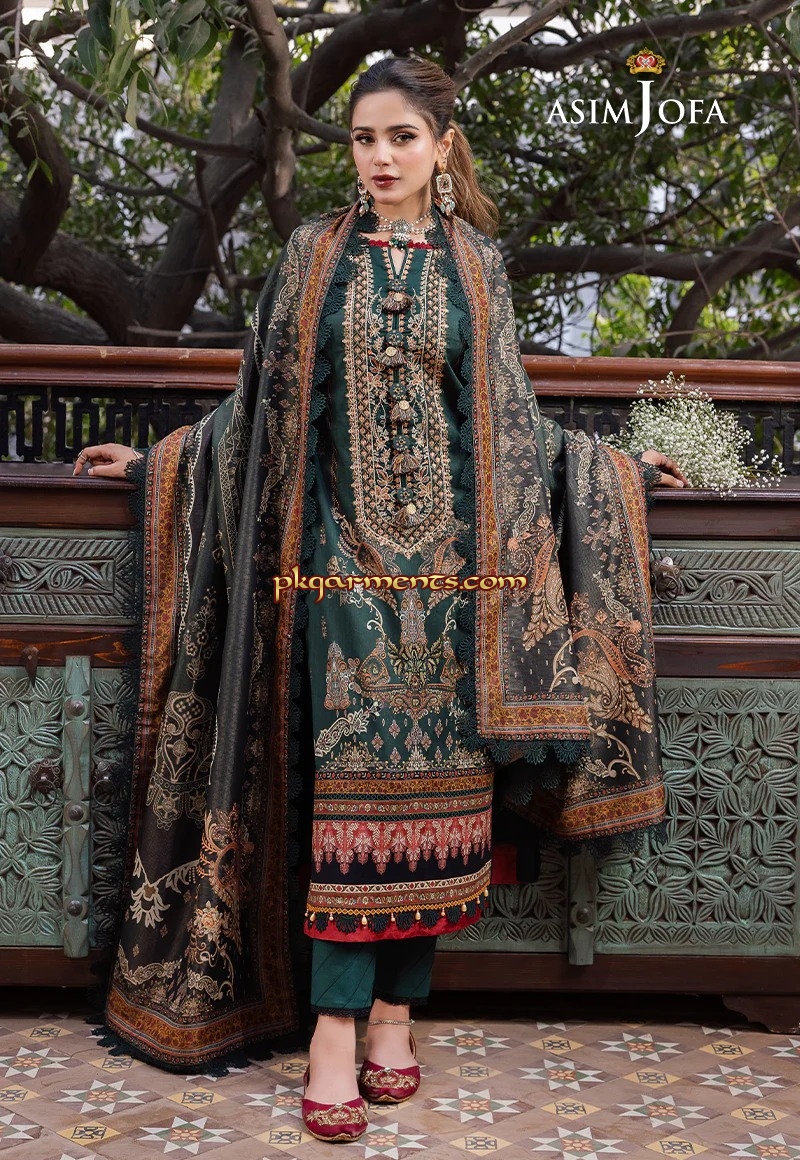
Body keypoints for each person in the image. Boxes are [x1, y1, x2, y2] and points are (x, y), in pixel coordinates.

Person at [74, 54, 687, 1144]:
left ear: (442, 145)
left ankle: (396, 1017)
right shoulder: (312, 257)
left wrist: (615, 472)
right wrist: (164, 462)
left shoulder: (476, 265)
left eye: (402, 137)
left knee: (442, 813)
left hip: (459, 586)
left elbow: (508, 424)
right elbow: (257, 410)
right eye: (364, 139)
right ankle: (331, 1031)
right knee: (352, 811)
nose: (381, 157)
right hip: (334, 578)